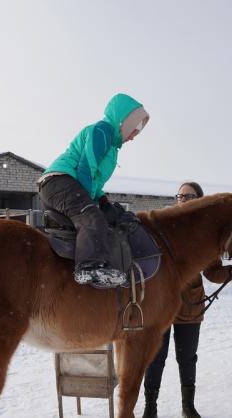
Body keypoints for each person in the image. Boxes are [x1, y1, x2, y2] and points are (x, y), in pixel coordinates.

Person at [140, 182, 232, 418]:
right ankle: (149, 408)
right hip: (158, 306)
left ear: (200, 199)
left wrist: (231, 271)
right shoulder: (162, 227)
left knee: (187, 358)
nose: (183, 200)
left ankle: (188, 406)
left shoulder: (205, 236)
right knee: (155, 358)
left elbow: (213, 272)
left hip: (190, 306)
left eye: (189, 196)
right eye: (180, 196)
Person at [38, 93, 149, 288]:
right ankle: (88, 268)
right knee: (91, 217)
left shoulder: (112, 149)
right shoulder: (102, 131)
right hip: (59, 181)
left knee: (103, 215)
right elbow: (85, 169)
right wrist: (92, 207)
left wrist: (104, 201)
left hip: (67, 185)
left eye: (139, 132)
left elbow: (95, 180)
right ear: (123, 121)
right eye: (134, 128)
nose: (134, 136)